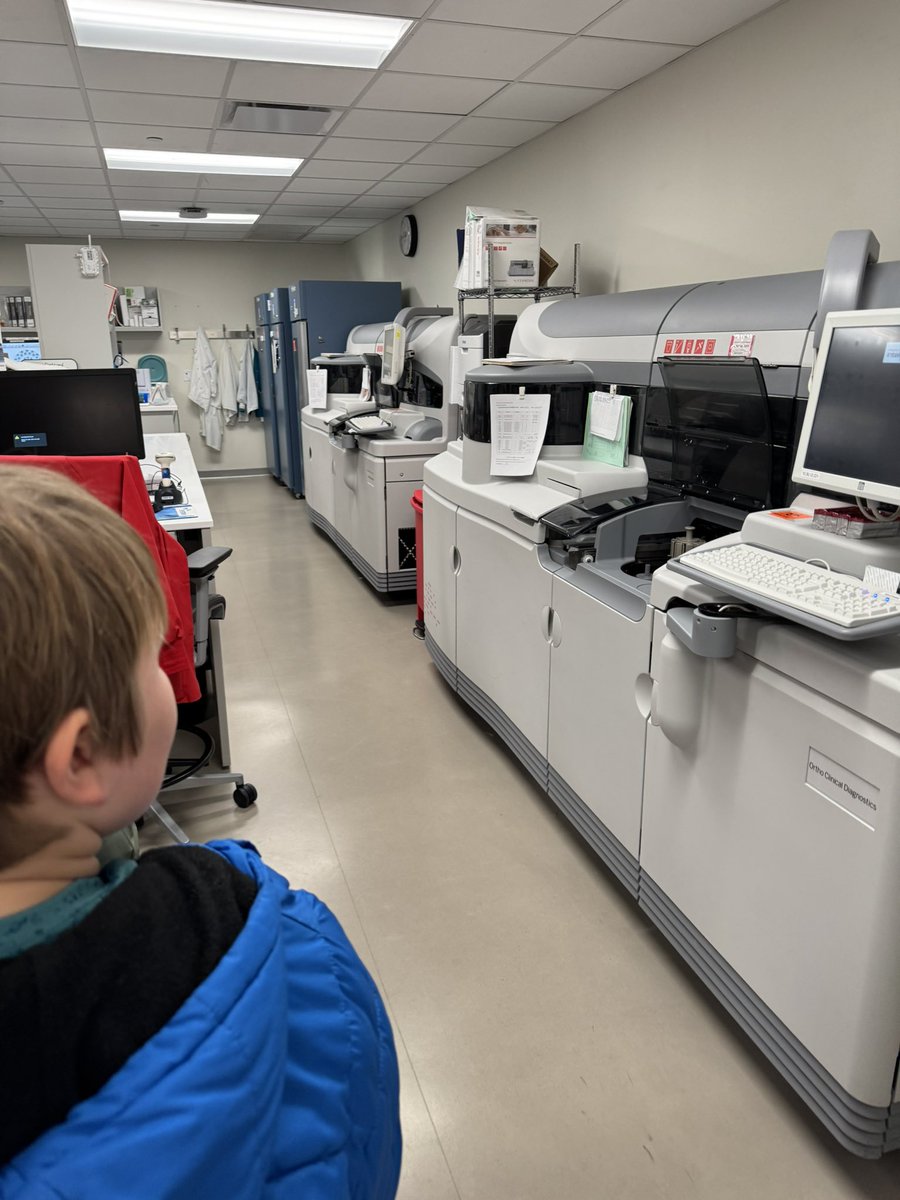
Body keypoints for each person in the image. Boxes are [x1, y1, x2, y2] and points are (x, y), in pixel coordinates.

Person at [0, 465, 401, 1198]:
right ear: (82, 758)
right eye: (154, 658)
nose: (168, 671)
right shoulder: (252, 925)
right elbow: (350, 1126)